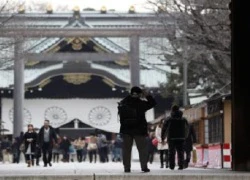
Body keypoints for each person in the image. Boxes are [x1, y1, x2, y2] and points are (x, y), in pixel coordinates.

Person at [118, 86, 156, 173]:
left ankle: (127, 167)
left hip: (126, 129)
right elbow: (153, 103)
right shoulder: (141, 104)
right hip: (139, 129)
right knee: (142, 149)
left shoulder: (123, 103)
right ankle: (144, 167)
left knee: (126, 149)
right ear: (139, 94)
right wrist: (146, 94)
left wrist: (130, 95)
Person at [161, 105, 189, 170]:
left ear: (172, 110)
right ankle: (181, 166)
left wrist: (163, 137)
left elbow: (164, 129)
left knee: (171, 152)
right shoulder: (183, 119)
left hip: (171, 138)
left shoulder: (169, 119)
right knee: (180, 152)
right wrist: (185, 136)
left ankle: (172, 166)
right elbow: (187, 128)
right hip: (181, 138)